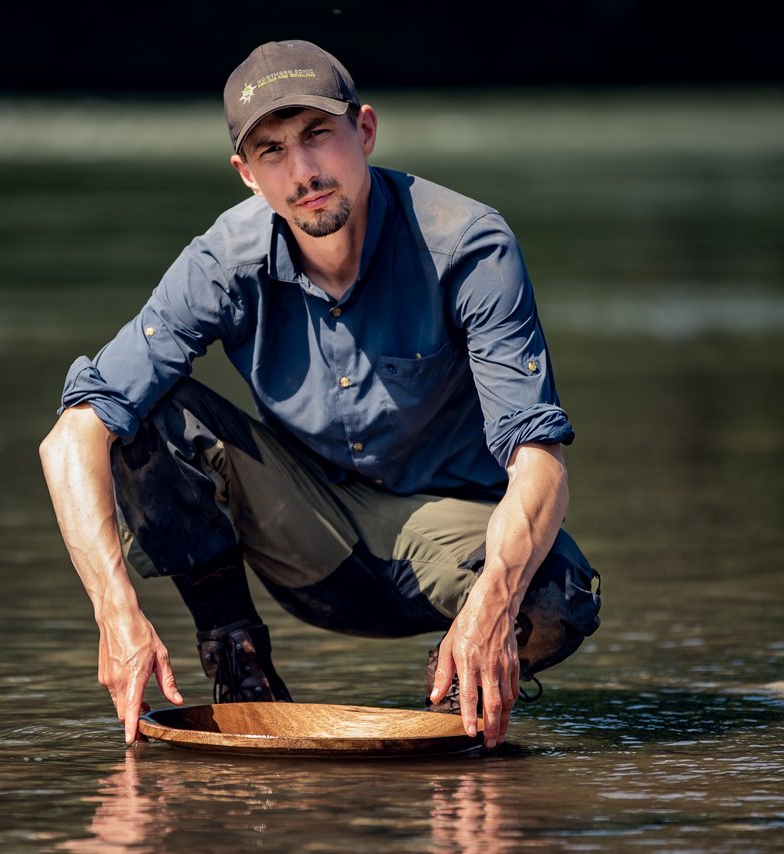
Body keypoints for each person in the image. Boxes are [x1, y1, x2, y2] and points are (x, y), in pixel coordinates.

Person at [40, 40, 601, 750]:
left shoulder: (466, 243)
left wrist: (492, 605)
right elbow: (71, 435)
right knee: (141, 416)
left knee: (558, 592)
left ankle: (456, 689)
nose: (302, 172)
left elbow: (540, 461)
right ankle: (238, 660)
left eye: (316, 137)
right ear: (246, 174)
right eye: (271, 151)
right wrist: (114, 612)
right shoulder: (222, 261)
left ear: (362, 131)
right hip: (307, 538)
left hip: (451, 545)